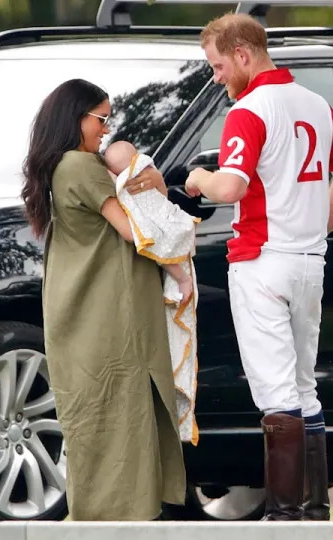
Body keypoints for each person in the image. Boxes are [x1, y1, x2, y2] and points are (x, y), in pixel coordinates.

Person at [187, 14, 333, 521]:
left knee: (275, 393)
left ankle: (286, 515)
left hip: (262, 262)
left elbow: (232, 188)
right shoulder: (315, 104)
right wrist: (317, 224)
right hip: (309, 260)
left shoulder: (249, 110)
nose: (217, 76)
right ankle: (314, 511)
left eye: (219, 65)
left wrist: (200, 177)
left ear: (243, 54)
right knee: (304, 387)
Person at [21, 78, 186, 521]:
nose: (106, 129)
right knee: (122, 423)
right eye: (101, 119)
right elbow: (136, 231)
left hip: (80, 317)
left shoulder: (58, 167)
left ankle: (99, 519)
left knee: (94, 426)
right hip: (108, 317)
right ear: (76, 118)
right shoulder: (81, 166)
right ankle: (121, 521)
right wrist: (157, 193)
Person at [104, 140, 202, 446]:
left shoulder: (139, 183)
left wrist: (157, 184)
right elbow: (148, 232)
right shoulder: (125, 189)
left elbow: (152, 224)